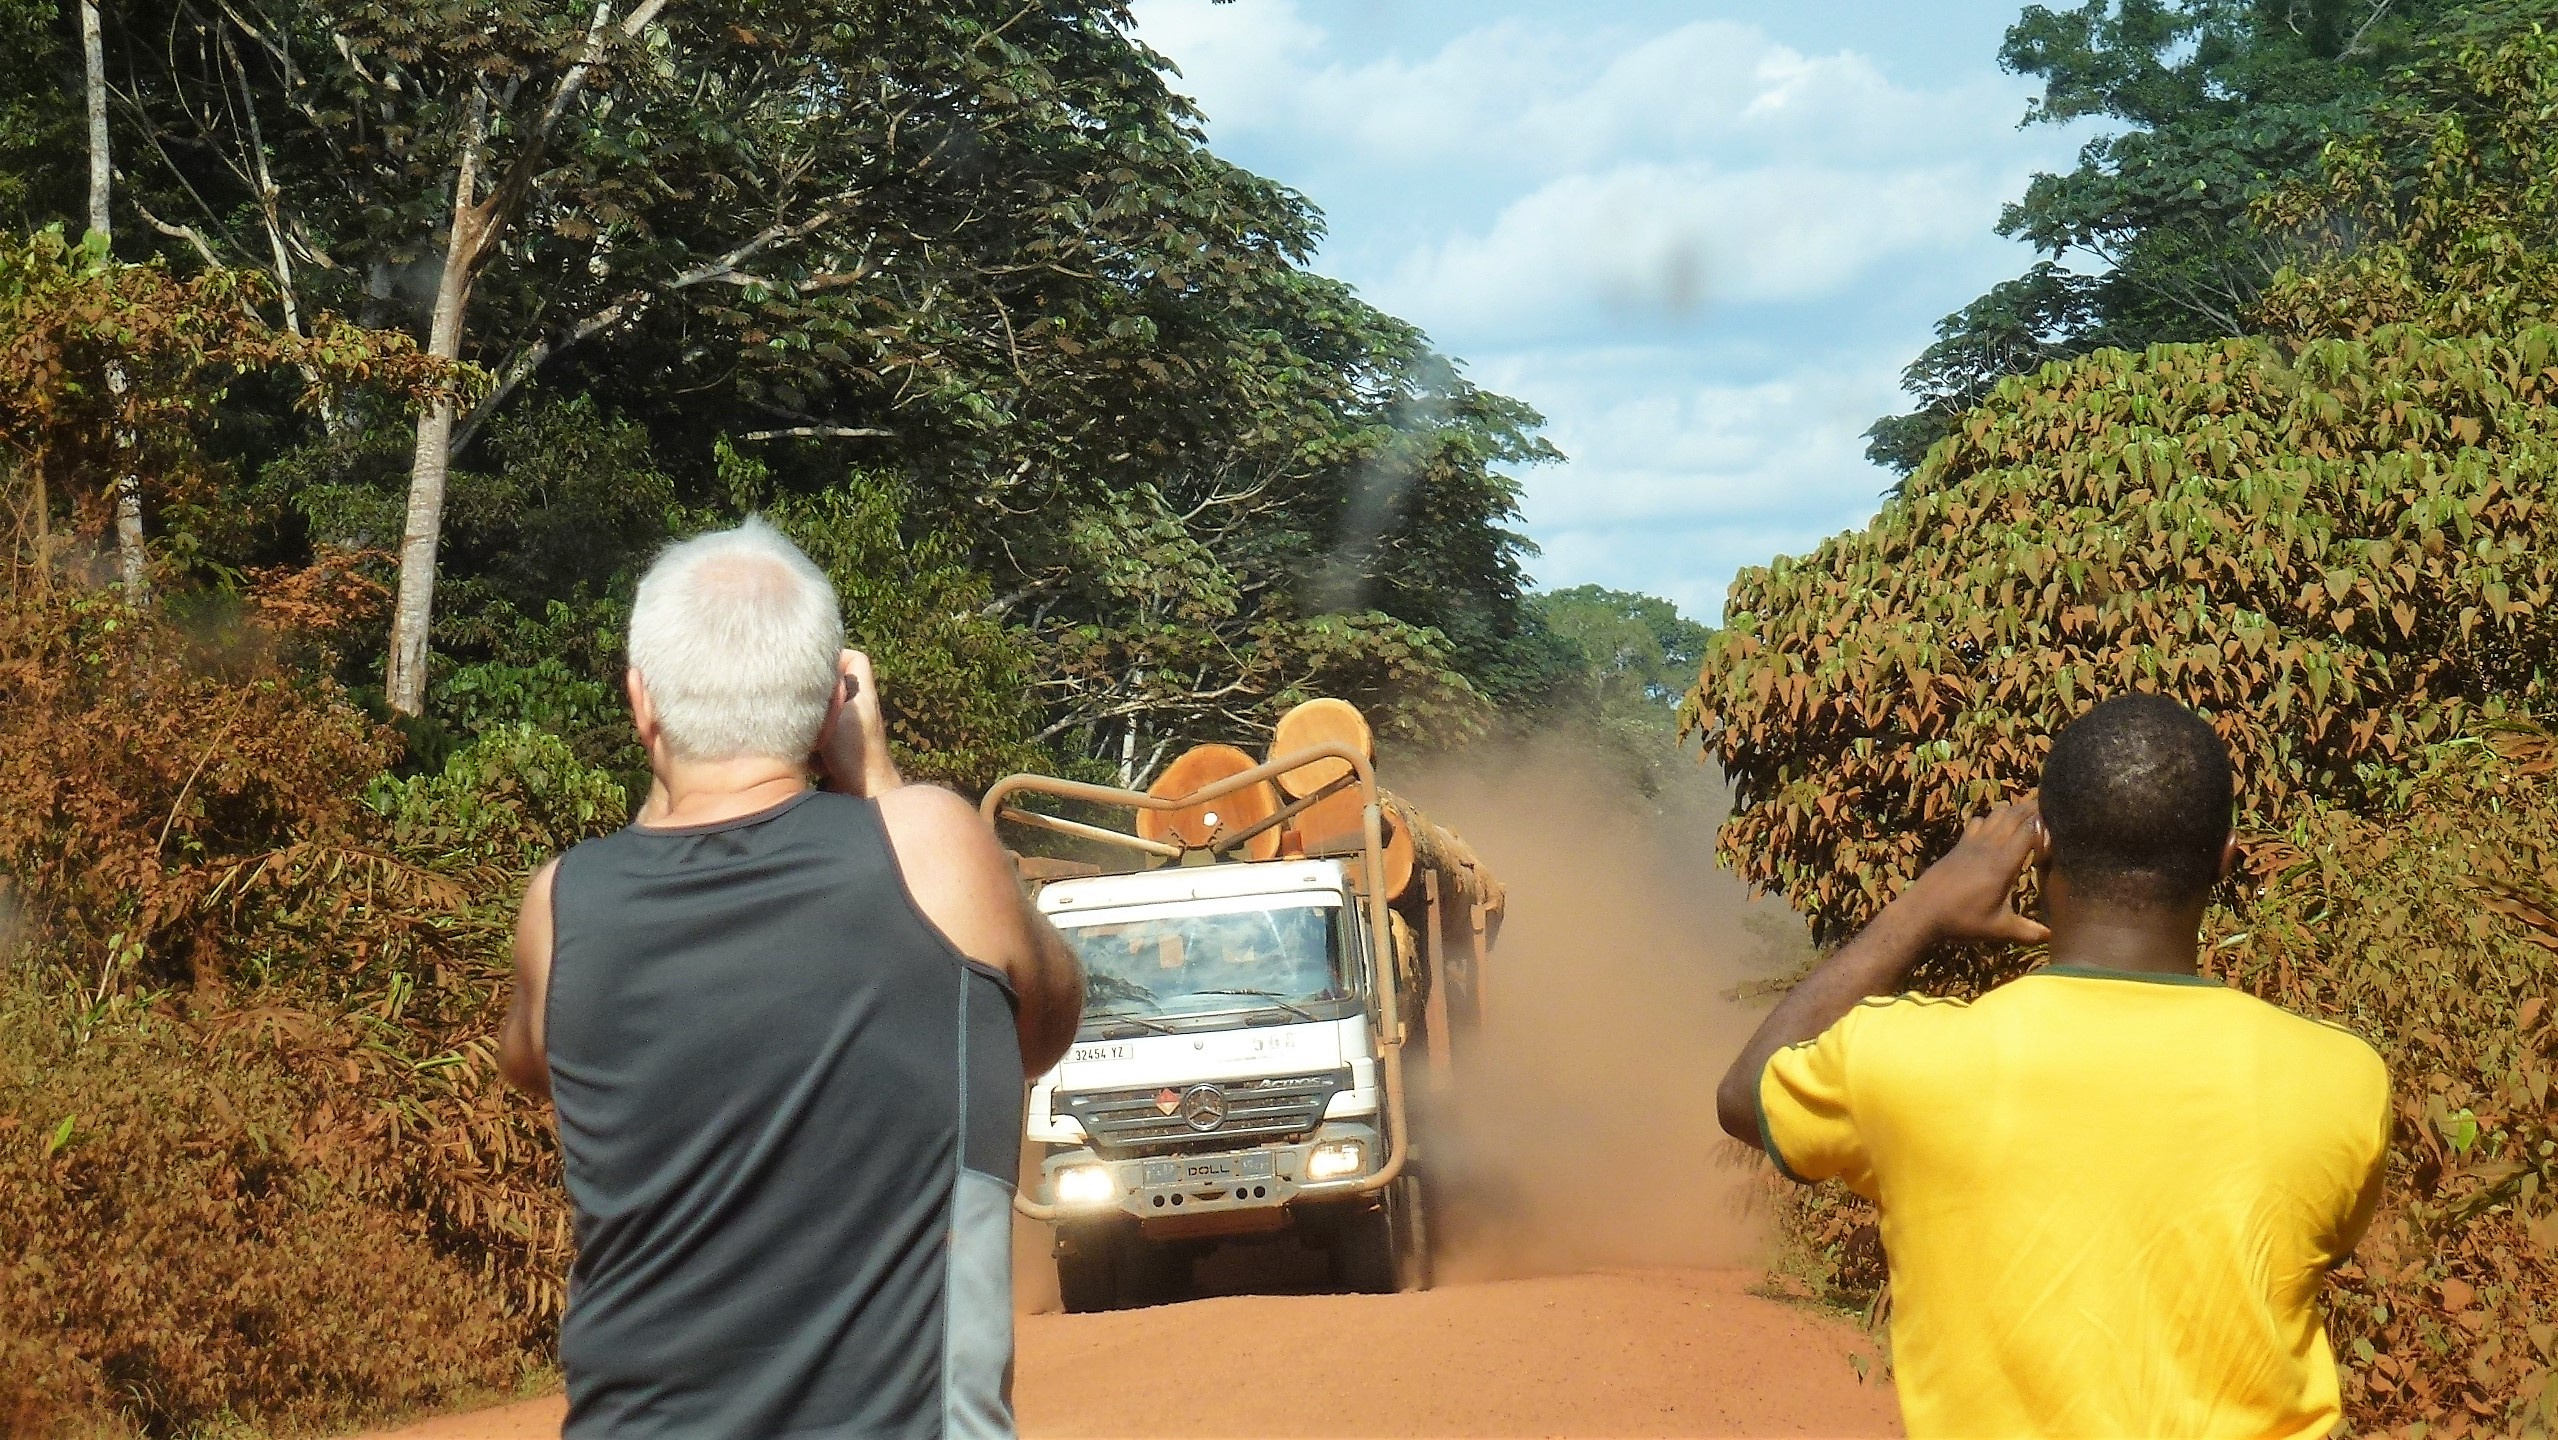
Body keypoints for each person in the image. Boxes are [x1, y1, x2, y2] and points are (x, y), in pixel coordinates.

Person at [497, 518, 1085, 1440]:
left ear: (640, 703)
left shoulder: (563, 905)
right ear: (829, 708)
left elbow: (535, 1058)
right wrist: (877, 774)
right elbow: (1043, 1025)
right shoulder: (931, 848)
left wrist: (666, 792)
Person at [1716, 694, 2390, 1439]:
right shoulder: (2340, 1078)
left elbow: (1745, 1094)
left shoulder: (1906, 1063)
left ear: (2039, 850)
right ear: (2227, 855)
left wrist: (1926, 904)